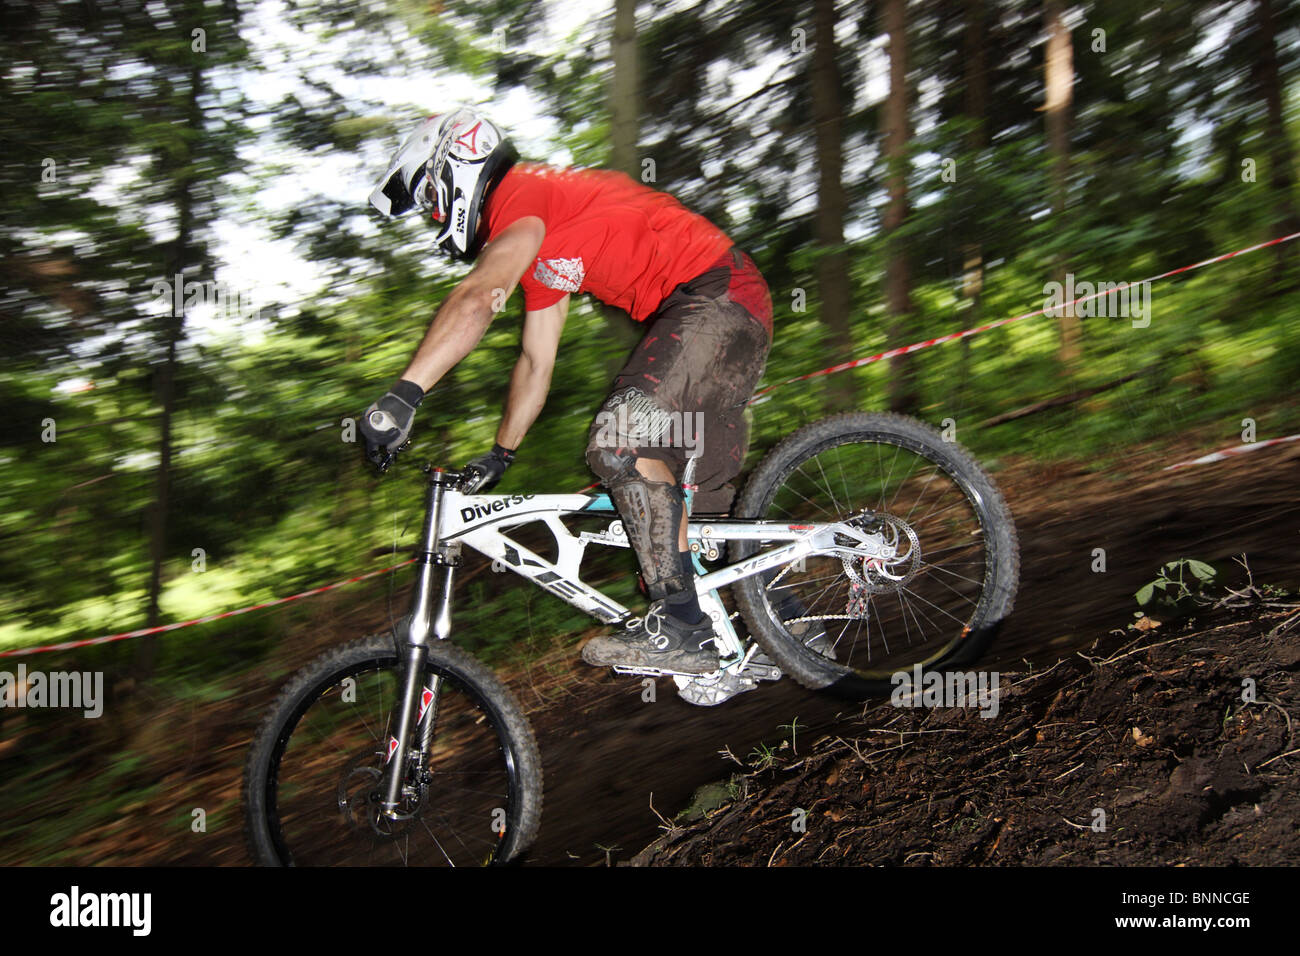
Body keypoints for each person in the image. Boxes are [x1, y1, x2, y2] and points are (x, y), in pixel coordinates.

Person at [361, 107, 772, 675]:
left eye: (432, 197)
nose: (435, 214)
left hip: (713, 295)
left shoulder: (520, 196)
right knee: (695, 510)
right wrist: (501, 453)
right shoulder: (540, 249)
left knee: (620, 442)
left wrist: (405, 393)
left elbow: (480, 297)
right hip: (730, 304)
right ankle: (787, 627)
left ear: (455, 166)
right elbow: (535, 360)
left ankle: (681, 629)